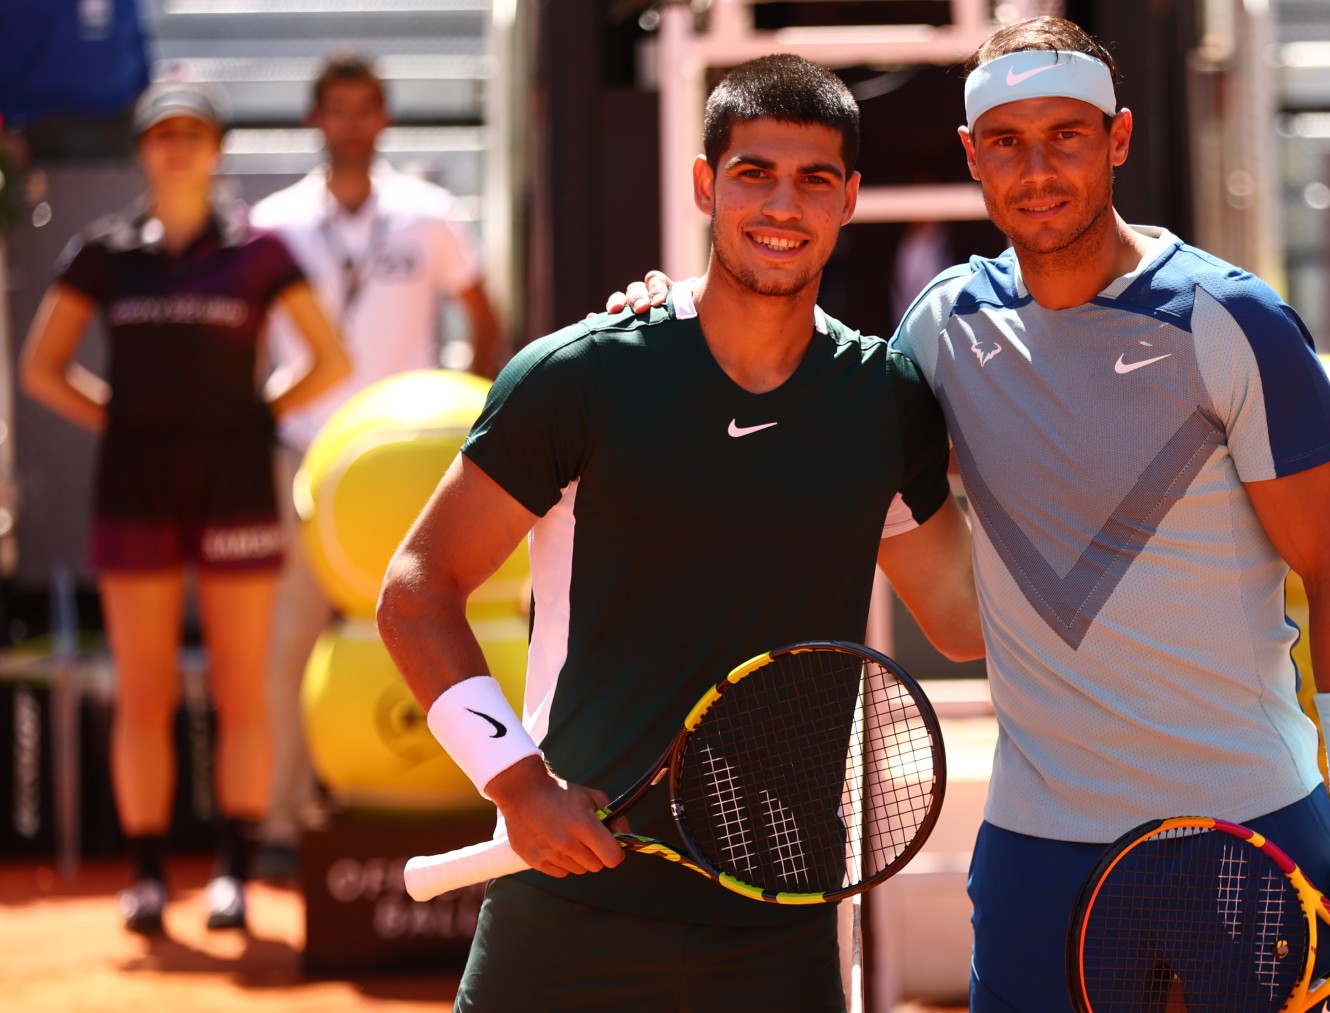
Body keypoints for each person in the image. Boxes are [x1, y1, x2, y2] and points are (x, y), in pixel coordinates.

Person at [611, 17, 1330, 1012]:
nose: (1037, 170)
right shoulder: (945, 330)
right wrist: (671, 318)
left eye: (1066, 136)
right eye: (1006, 141)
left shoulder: (1233, 320)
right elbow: (807, 410)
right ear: (970, 154)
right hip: (1041, 848)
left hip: (1251, 827)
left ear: (1118, 138)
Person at [375, 55, 981, 1011]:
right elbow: (416, 589)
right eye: (754, 174)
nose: (784, 204)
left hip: (775, 915)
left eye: (816, 179)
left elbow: (966, 623)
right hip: (567, 912)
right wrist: (517, 785)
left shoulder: (884, 402)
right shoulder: (580, 376)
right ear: (705, 184)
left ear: (851, 200)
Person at [18, 80, 351, 934]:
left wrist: (261, 413)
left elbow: (329, 357)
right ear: (142, 149)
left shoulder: (259, 250)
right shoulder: (104, 253)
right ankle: (147, 874)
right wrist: (123, 419)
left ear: (216, 149)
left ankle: (234, 871)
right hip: (136, 483)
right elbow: (41, 367)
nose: (176, 149)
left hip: (236, 479)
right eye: (162, 135)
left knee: (241, 686)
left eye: (192, 135)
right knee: (145, 688)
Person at [249, 52, 502, 878]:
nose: (352, 124)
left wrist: (463, 412)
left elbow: (481, 313)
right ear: (314, 120)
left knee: (431, 631)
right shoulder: (274, 220)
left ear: (384, 118)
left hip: (409, 463)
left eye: (365, 109)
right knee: (292, 646)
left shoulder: (425, 212)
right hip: (308, 462)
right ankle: (290, 822)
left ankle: (458, 806)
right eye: (338, 109)